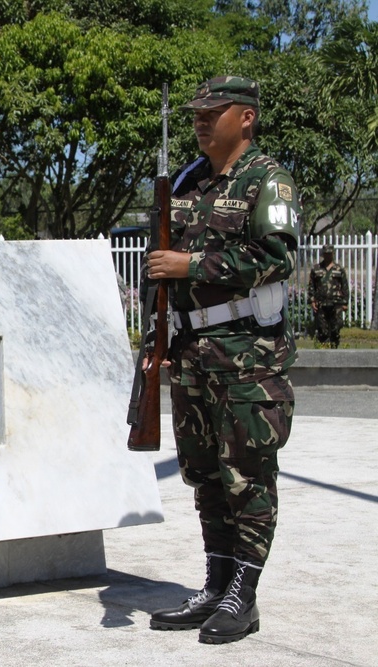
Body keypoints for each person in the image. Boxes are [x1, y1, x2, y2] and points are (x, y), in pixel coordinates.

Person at [143, 77, 300, 644]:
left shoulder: (268, 181)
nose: (202, 120)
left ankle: (244, 594)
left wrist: (192, 267)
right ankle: (215, 582)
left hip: (247, 355)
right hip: (190, 352)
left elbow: (276, 256)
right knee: (205, 472)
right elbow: (156, 266)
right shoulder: (185, 181)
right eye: (198, 113)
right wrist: (153, 343)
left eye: (215, 111)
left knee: (248, 473)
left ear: (248, 118)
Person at [308, 243, 349, 348]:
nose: (328, 256)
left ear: (333, 254)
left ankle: (334, 349)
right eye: (326, 254)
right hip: (321, 304)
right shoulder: (316, 269)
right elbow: (311, 286)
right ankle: (323, 351)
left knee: (336, 328)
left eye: (329, 253)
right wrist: (312, 301)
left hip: (336, 304)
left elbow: (345, 286)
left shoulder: (339, 269)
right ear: (323, 254)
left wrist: (345, 302)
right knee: (322, 330)